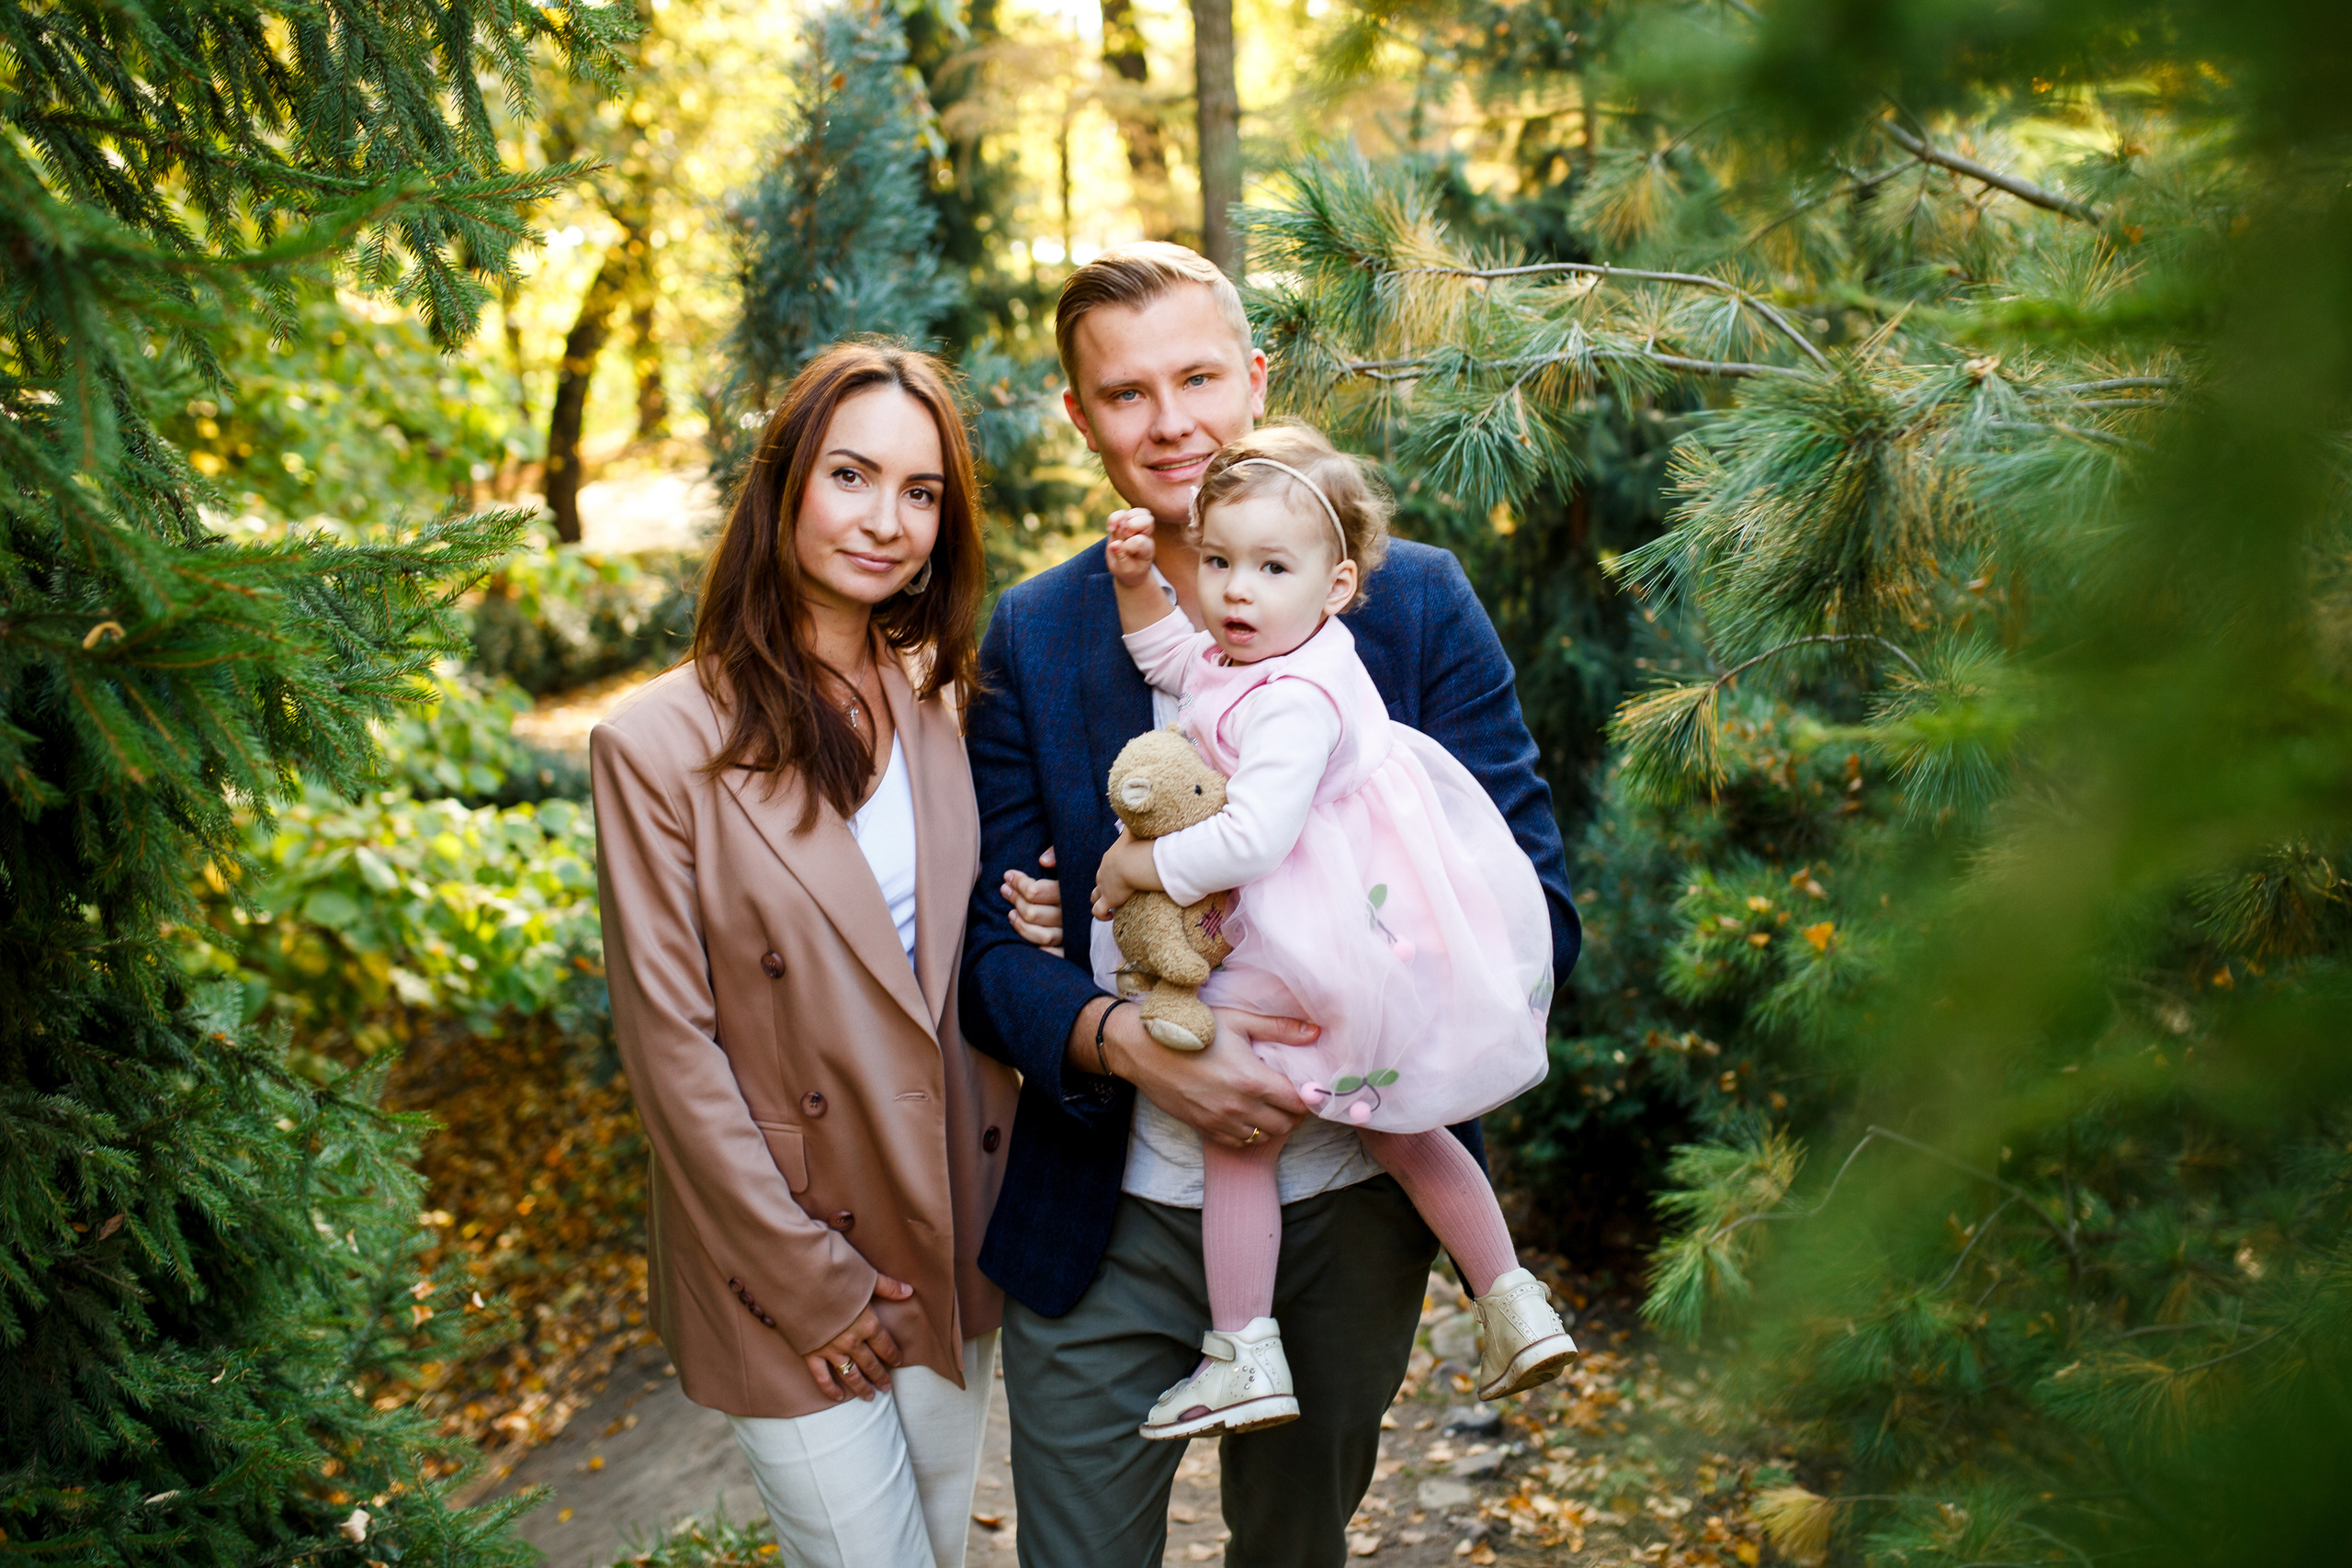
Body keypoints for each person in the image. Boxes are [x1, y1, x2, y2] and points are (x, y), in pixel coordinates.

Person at [960, 242, 1580, 1568]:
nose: (1170, 419)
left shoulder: (1410, 601)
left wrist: (1328, 1039)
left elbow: (1537, 907)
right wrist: (1128, 1039)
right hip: (1106, 1197)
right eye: (1126, 393)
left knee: (1291, 1551)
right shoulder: (1038, 630)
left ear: (1254, 376)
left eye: (1196, 376)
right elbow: (985, 956)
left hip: (1350, 1196)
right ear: (1081, 418)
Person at [591, 340, 1016, 1568]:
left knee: (942, 1542)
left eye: (922, 491)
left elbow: (951, 946)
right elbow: (672, 1047)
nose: (886, 520)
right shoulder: (656, 742)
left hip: (942, 1206)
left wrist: (1029, 915)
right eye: (850, 474)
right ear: (783, 482)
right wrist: (812, 1282)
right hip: (782, 1248)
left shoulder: (946, 700)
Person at [1091, 423, 1579, 1443]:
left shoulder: (1296, 701)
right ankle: (1510, 1300)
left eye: (1271, 567)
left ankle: (1241, 1353)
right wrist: (1143, 584)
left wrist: (1143, 865)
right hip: (1362, 947)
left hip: (1305, 947)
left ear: (1338, 582)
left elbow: (1253, 837)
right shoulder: (1268, 651)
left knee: (1237, 1132)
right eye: (1217, 561)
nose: (1233, 590)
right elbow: (1181, 658)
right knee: (1401, 1127)